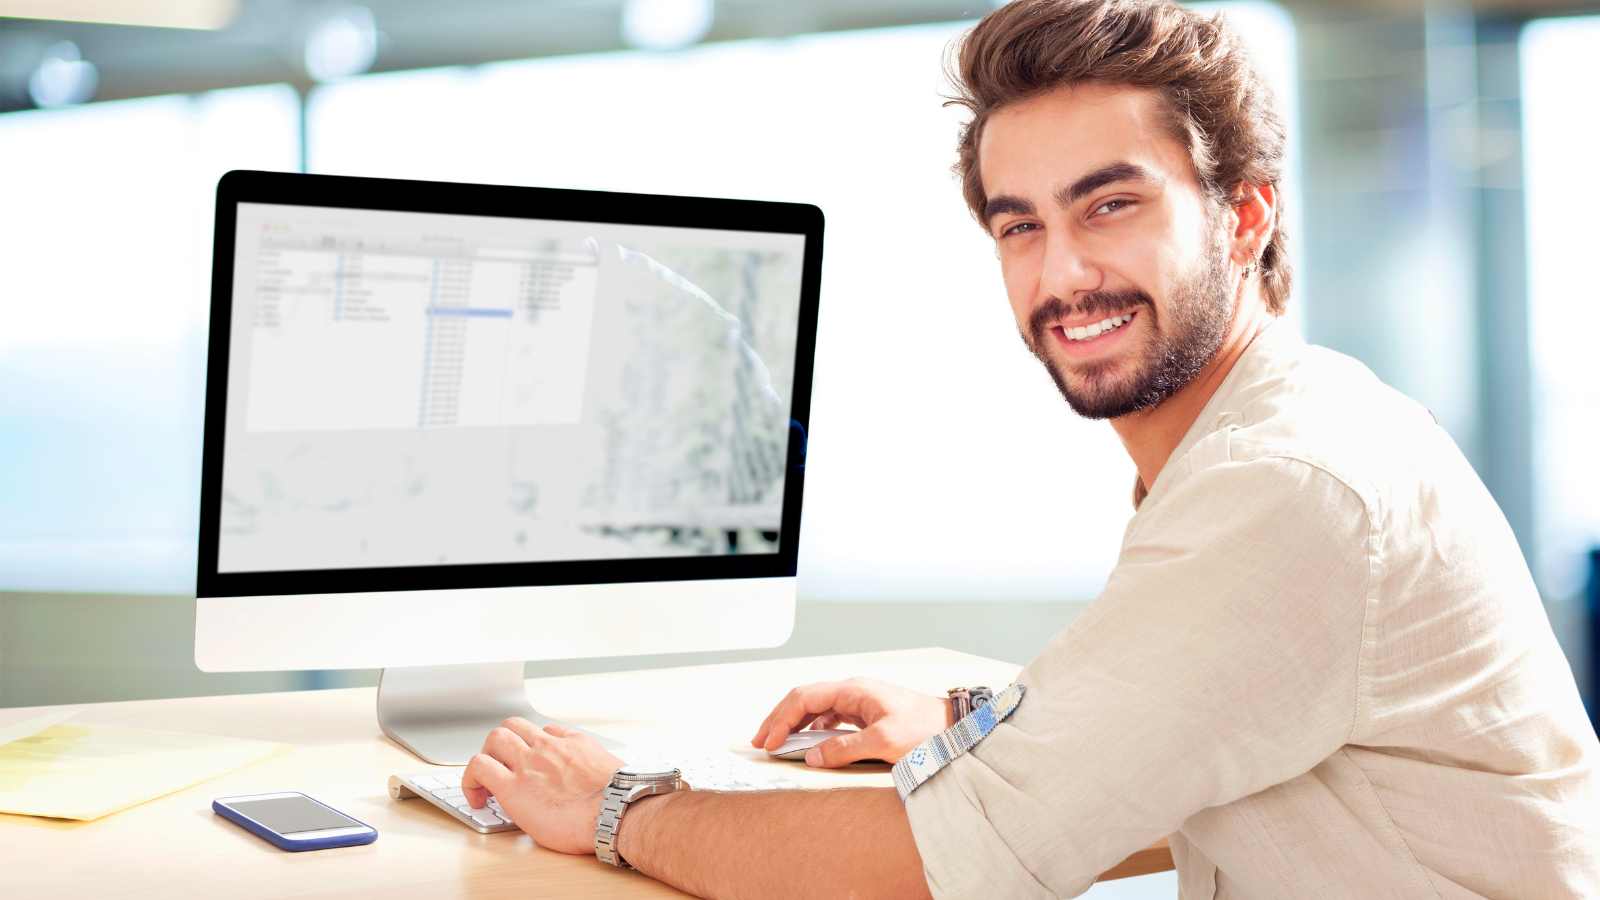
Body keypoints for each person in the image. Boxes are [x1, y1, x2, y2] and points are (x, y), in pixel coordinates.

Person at [458, 1, 1600, 896]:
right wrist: (970, 735)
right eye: (1021, 224)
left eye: (1110, 205)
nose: (1060, 277)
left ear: (1244, 215)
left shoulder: (1283, 487)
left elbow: (920, 873)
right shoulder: (1270, 428)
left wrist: (619, 806)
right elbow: (1210, 732)